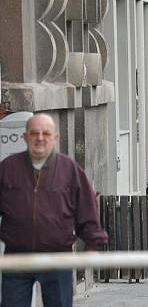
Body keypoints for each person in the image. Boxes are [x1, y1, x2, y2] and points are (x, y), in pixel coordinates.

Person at [0, 113, 108, 307]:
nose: (40, 138)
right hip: (16, 256)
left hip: (58, 256)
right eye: (34, 133)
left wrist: (93, 246)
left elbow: (87, 209)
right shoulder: (8, 169)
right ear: (25, 137)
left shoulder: (69, 170)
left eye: (46, 133)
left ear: (55, 137)